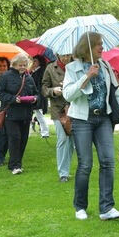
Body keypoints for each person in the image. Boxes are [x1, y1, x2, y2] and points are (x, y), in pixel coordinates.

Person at [63, 32, 119, 221]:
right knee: (85, 164)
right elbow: (68, 95)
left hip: (103, 119)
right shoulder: (72, 68)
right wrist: (86, 77)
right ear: (87, 47)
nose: (102, 48)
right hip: (82, 120)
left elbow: (116, 93)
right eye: (98, 45)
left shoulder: (105, 66)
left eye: (102, 44)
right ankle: (80, 206)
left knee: (108, 162)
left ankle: (107, 208)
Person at [0, 53, 39, 174]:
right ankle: (15, 166)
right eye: (20, 65)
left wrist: (35, 98)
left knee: (23, 139)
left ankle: (16, 163)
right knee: (15, 138)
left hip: (26, 114)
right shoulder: (5, 76)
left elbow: (36, 92)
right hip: (11, 113)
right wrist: (13, 99)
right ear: (14, 64)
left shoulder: (29, 77)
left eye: (25, 65)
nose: (23, 67)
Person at [41, 53, 75, 181]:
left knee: (71, 141)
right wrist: (53, 91)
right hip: (58, 109)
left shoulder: (76, 67)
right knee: (62, 139)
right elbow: (44, 88)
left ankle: (66, 168)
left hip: (74, 109)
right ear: (57, 55)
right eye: (63, 55)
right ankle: (63, 173)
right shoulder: (50, 68)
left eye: (68, 55)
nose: (66, 58)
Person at [29, 54, 51, 138]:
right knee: (37, 114)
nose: (33, 63)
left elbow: (38, 84)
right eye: (33, 61)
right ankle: (43, 132)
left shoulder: (41, 71)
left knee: (39, 114)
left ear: (39, 62)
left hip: (39, 95)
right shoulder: (36, 71)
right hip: (36, 95)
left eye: (35, 61)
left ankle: (45, 132)